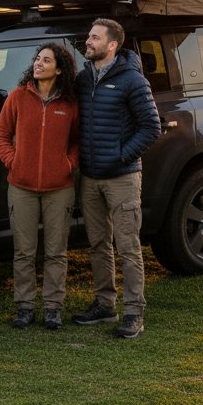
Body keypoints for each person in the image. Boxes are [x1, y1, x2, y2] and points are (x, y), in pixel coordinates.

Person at [71, 19, 162, 339]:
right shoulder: (84, 78)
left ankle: (134, 312)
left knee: (128, 247)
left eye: (95, 37)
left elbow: (151, 127)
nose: (88, 41)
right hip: (90, 177)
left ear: (112, 45)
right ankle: (104, 304)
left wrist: (121, 155)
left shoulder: (132, 81)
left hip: (122, 177)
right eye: (89, 35)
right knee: (98, 244)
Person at [0, 41, 80, 330]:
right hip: (21, 186)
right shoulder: (18, 96)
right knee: (24, 251)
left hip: (59, 188)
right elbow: (1, 134)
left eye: (46, 60)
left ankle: (53, 307)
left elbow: (77, 141)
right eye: (38, 59)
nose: (38, 64)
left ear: (59, 69)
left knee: (56, 251)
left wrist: (68, 164)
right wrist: (13, 161)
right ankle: (24, 307)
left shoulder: (69, 103)